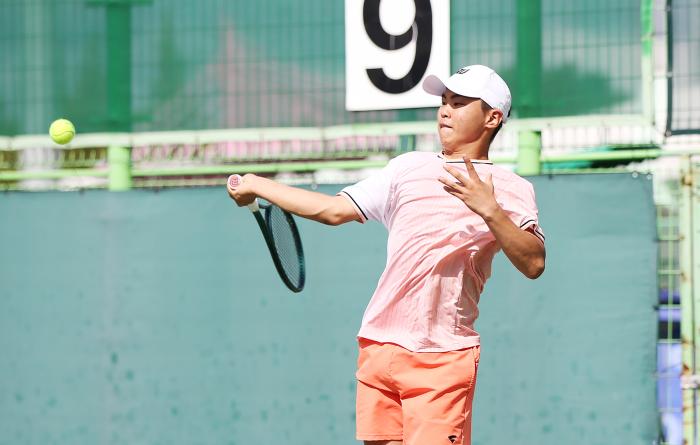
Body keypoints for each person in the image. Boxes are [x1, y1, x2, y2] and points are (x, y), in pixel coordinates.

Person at [227, 64, 546, 445]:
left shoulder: (511, 188)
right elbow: (332, 210)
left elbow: (534, 263)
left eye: (459, 103)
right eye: (444, 102)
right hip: (379, 350)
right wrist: (256, 184)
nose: (445, 111)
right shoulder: (407, 168)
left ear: (492, 118)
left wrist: (490, 209)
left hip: (441, 359)